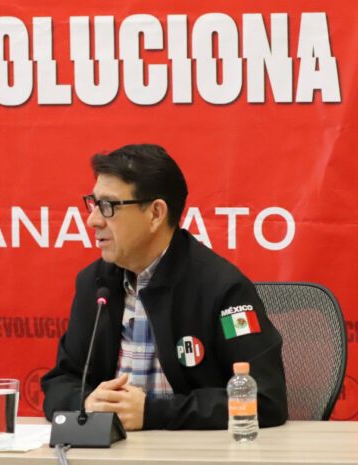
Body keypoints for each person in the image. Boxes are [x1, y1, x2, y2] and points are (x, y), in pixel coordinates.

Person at [41, 144, 287, 430]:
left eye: (108, 206)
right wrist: (86, 403)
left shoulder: (223, 288)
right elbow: (61, 382)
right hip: (109, 448)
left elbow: (265, 399)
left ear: (156, 213)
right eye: (93, 204)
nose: (93, 220)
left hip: (190, 450)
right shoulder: (96, 284)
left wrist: (153, 412)